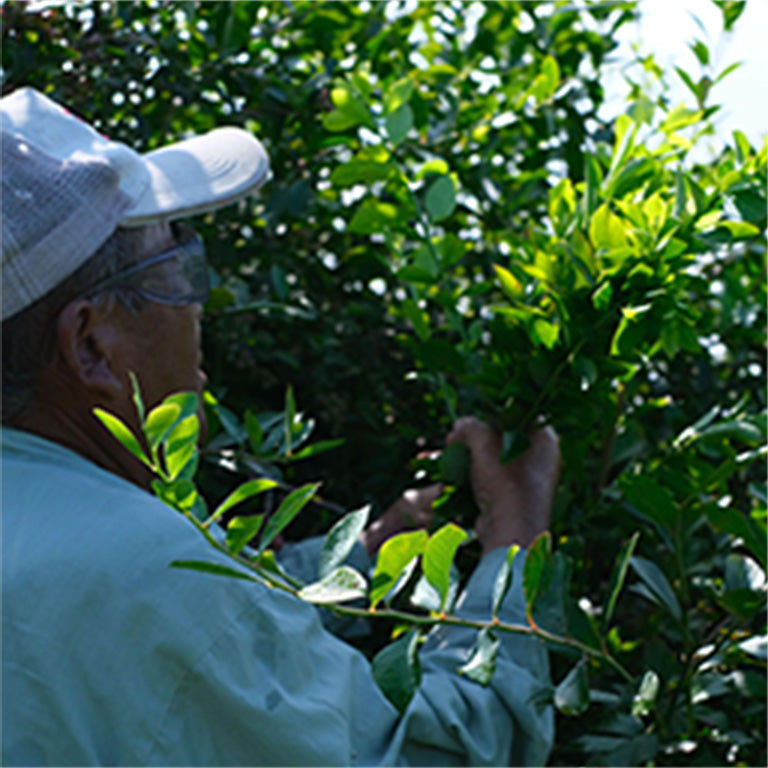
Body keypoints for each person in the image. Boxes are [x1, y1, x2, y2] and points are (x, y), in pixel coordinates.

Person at [1, 87, 560, 767]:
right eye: (177, 266)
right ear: (89, 343)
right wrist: (518, 537)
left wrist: (367, 555)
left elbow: (188, 659)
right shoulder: (147, 570)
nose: (199, 306)